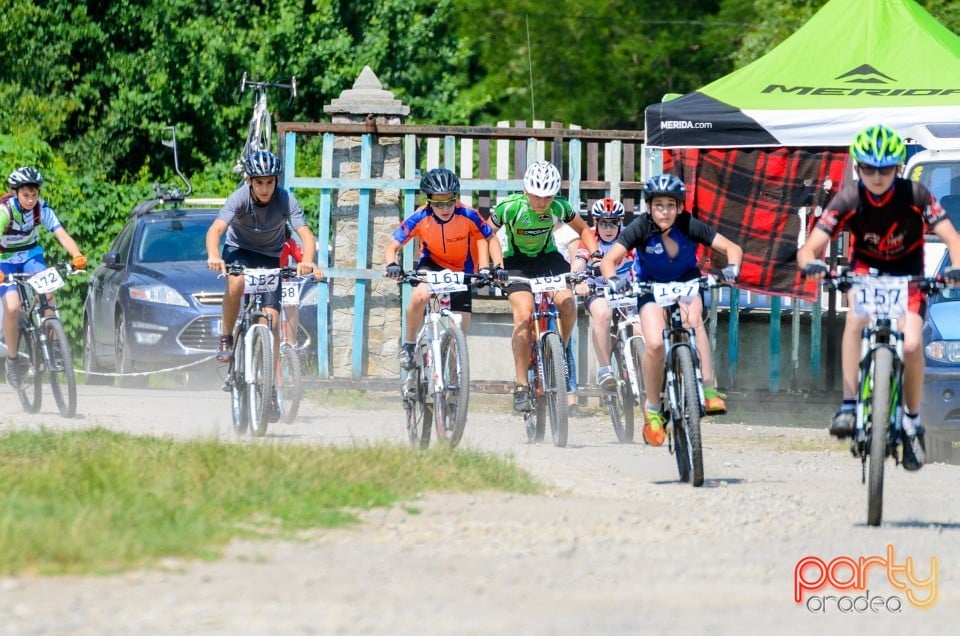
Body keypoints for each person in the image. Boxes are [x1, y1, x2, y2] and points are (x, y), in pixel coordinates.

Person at [797, 124, 960, 471]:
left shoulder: (917, 195)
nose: (877, 176)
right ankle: (849, 403)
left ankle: (912, 421)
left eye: (885, 168)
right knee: (855, 320)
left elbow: (952, 238)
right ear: (858, 168)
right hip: (867, 277)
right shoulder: (849, 198)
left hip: (908, 279)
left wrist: (956, 267)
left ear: (898, 168)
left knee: (914, 344)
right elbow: (811, 246)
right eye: (868, 168)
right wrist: (811, 264)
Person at [600, 174, 742, 446]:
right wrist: (612, 279)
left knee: (693, 320)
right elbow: (609, 260)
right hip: (650, 288)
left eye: (670, 205)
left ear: (679, 207)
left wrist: (732, 268)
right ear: (649, 207)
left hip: (687, 282)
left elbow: (730, 248)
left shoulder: (689, 225)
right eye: (658, 205)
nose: (664, 211)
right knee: (653, 344)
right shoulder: (641, 227)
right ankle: (653, 410)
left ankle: (709, 388)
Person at [206, 150, 322, 421]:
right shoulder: (239, 198)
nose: (265, 188)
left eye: (270, 182)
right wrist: (214, 255)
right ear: (249, 181)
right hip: (239, 250)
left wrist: (307, 261)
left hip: (270, 255)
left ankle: (269, 388)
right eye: (259, 182)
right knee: (235, 283)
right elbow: (216, 230)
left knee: (272, 318)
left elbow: (306, 235)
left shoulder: (285, 198)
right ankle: (226, 337)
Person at [488, 160, 600, 413]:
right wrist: (495, 265)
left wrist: (595, 255)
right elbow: (486, 233)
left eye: (547, 197)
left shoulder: (559, 206)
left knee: (568, 303)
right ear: (526, 191)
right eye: (537, 197)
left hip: (547, 259)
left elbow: (583, 230)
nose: (542, 203)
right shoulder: (510, 207)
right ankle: (521, 386)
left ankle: (560, 348)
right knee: (524, 315)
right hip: (516, 263)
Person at [384, 168, 505, 369]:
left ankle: (453, 385)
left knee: (459, 334)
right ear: (429, 201)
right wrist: (391, 264)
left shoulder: (467, 214)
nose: (446, 208)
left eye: (450, 201)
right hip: (432, 264)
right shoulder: (420, 216)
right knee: (420, 296)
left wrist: (498, 266)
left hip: (462, 269)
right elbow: (392, 246)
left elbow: (490, 238)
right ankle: (409, 342)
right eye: (439, 203)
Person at [0, 167, 87, 389]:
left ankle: (57, 347)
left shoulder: (41, 209)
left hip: (31, 255)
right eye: (26, 195)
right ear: (16, 193)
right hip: (5, 260)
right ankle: (12, 359)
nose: (30, 200)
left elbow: (61, 234)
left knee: (47, 291)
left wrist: (76, 254)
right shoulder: (5, 212)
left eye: (34, 195)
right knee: (11, 307)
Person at [572, 198, 637, 391]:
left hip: (625, 290)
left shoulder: (630, 238)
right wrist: (579, 281)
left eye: (613, 223)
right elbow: (578, 262)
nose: (608, 229)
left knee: (641, 327)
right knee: (603, 314)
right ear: (596, 223)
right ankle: (605, 370)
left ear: (620, 223)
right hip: (596, 289)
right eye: (603, 224)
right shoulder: (590, 239)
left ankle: (642, 371)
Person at [552, 220, 582, 415]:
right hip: (534, 287)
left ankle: (571, 397)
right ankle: (527, 388)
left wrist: (576, 279)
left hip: (560, 290)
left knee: (565, 343)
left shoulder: (568, 231)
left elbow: (576, 260)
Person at [279, 224, 303, 347]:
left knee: (291, 304)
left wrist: (309, 267)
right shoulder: (255, 239)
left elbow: (303, 260)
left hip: (282, 282)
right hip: (262, 281)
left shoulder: (288, 242)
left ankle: (292, 344)